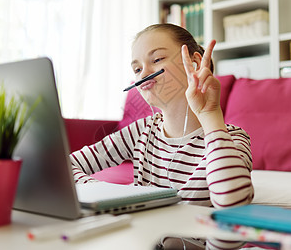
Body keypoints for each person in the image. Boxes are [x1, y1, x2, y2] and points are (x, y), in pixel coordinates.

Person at [70, 23, 254, 209]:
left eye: (157, 59)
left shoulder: (231, 138)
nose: (144, 74)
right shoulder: (141, 131)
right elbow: (64, 167)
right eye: (137, 69)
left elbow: (233, 202)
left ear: (195, 63)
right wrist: (111, 195)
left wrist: (209, 115)